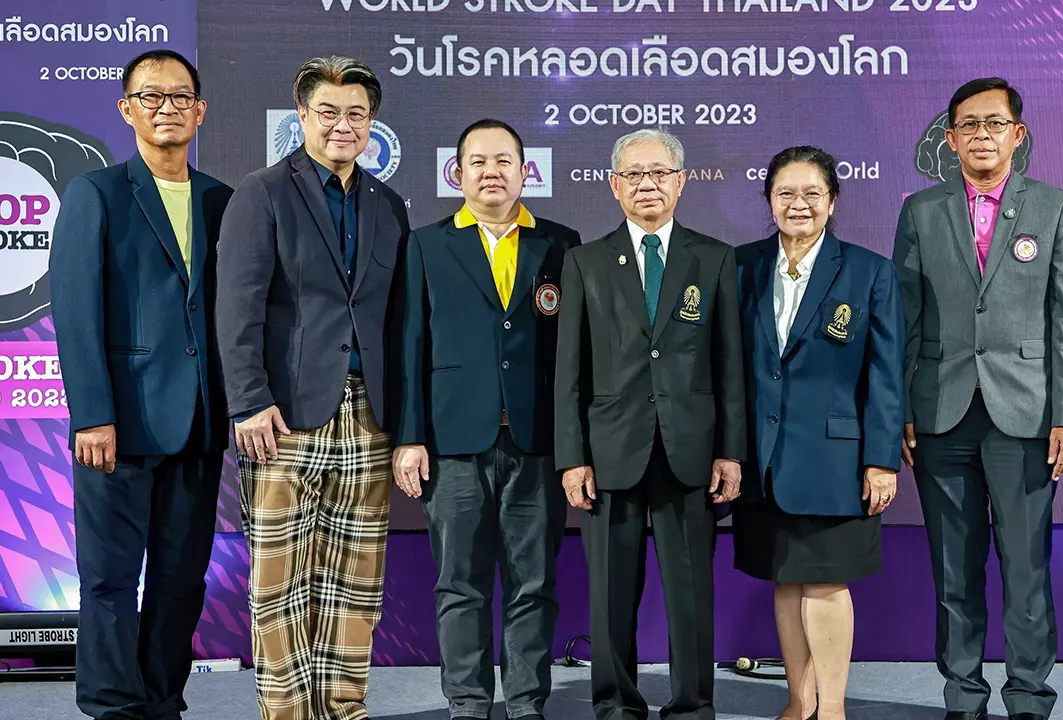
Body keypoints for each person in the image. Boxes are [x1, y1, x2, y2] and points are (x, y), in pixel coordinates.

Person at [215, 56, 410, 720]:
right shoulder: (262, 193)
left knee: (356, 582)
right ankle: (287, 713)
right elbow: (237, 306)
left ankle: (345, 709)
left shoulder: (389, 204)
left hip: (369, 414)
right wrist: (248, 400)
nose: (342, 125)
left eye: (356, 113)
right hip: (283, 416)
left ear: (371, 122)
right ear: (302, 115)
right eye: (328, 112)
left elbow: (395, 319)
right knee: (281, 586)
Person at [892, 77, 1063, 720]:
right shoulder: (921, 211)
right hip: (941, 413)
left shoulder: (1054, 207)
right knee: (954, 570)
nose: (982, 135)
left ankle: (1029, 697)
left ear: (1018, 134)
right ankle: (963, 696)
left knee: (1027, 568)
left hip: (1027, 416)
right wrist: (901, 410)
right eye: (969, 125)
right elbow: (904, 319)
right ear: (950, 139)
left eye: (995, 123)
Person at [49, 49, 233, 720]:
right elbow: (75, 311)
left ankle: (161, 701)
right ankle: (111, 704)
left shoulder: (221, 200)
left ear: (200, 111)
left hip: (199, 422)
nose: (166, 108)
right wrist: (91, 414)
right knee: (108, 579)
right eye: (151, 96)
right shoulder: (95, 193)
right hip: (118, 425)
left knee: (181, 580)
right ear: (127, 109)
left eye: (180, 96)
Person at [387, 118, 581, 720]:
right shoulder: (426, 244)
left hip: (537, 441)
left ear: (526, 171)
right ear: (458, 173)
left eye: (504, 161)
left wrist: (576, 443)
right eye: (478, 162)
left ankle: (526, 702)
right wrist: (410, 437)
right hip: (453, 442)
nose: (491, 172)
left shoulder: (561, 242)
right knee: (459, 583)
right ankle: (468, 702)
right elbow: (410, 347)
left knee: (534, 583)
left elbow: (574, 353)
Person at [555, 128, 747, 720]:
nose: (648, 184)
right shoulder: (584, 261)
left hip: (691, 452)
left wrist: (730, 451)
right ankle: (617, 706)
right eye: (634, 174)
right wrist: (572, 458)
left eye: (660, 173)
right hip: (609, 453)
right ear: (614, 185)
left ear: (681, 182)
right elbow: (569, 371)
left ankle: (692, 707)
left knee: (691, 596)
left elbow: (730, 365)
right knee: (611, 595)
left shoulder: (714, 258)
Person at [734, 146, 904, 720]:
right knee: (785, 580)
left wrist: (881, 460)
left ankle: (832, 708)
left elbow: (886, 374)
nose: (799, 204)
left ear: (832, 201)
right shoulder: (742, 266)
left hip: (836, 460)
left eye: (812, 193)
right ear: (769, 201)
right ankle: (798, 700)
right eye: (785, 193)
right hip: (763, 457)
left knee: (825, 584)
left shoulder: (868, 270)